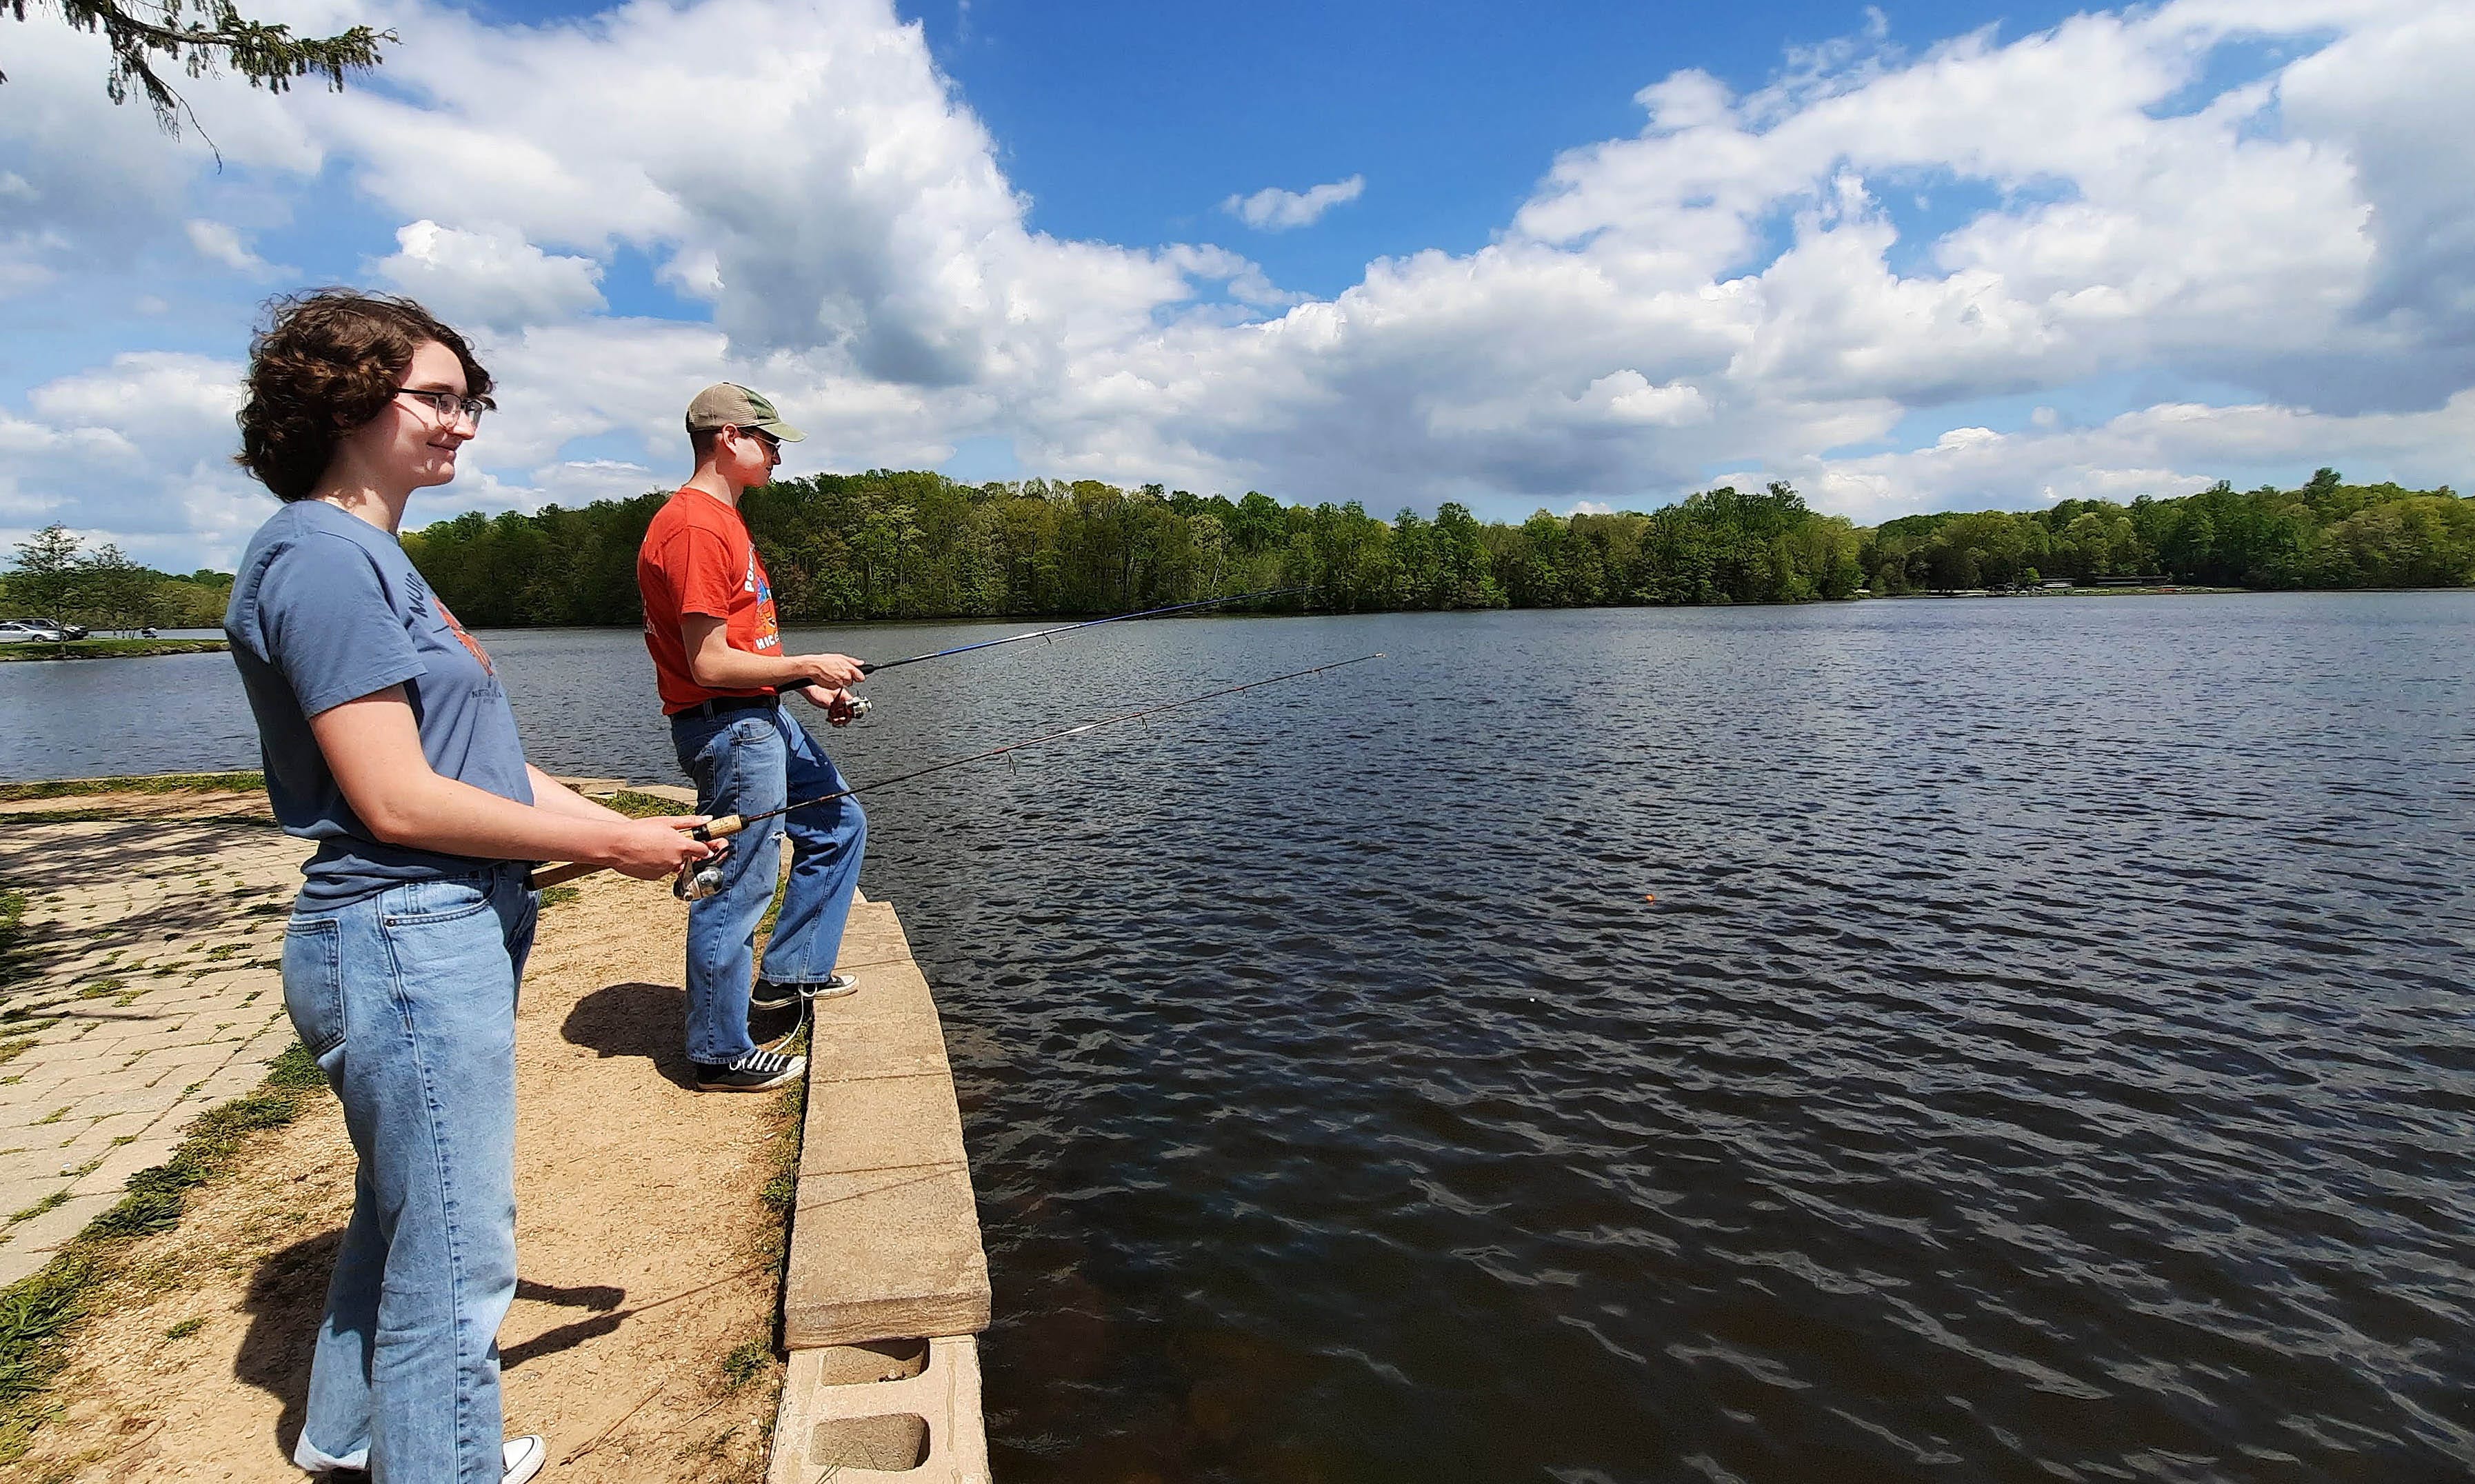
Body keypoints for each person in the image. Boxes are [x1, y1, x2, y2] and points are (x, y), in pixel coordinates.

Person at [225, 290, 719, 1483]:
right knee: (454, 1250)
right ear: (345, 398)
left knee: (405, 1214)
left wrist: (623, 826)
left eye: (468, 403)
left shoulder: (368, 554)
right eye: (437, 399)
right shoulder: (322, 559)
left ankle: (351, 1434)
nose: (462, 425)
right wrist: (616, 853)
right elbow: (398, 799)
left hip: (431, 929)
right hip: (405, 933)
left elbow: (477, 765)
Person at [635, 383, 870, 1092]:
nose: (777, 457)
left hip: (759, 715)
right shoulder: (694, 527)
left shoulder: (724, 521)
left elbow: (744, 642)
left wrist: (807, 685)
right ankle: (718, 1052)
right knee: (738, 881)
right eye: (769, 442)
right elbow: (708, 664)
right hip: (730, 726)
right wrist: (808, 663)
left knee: (837, 821)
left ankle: (791, 971)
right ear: (729, 437)